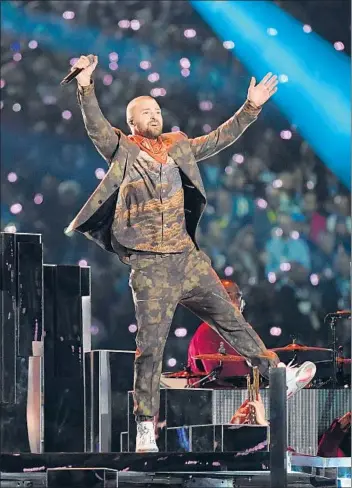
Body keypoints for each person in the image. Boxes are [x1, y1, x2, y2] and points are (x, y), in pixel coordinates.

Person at [65, 55, 316, 453]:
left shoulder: (178, 145)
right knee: (151, 346)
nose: (155, 116)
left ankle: (275, 374)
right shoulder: (124, 149)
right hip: (150, 263)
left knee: (231, 319)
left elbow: (218, 139)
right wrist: (86, 85)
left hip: (187, 257)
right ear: (132, 122)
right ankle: (145, 423)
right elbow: (96, 127)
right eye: (146, 112)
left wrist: (250, 108)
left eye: (157, 110)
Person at [187, 279, 251, 386]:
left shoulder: (242, 329)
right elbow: (217, 379)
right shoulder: (208, 331)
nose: (236, 302)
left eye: (238, 296)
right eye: (230, 296)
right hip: (217, 398)